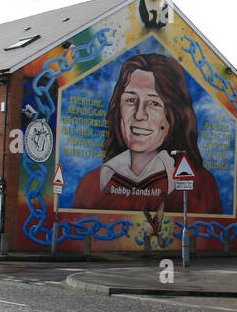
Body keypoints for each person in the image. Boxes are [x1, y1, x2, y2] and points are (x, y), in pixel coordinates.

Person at [70, 52, 223, 214]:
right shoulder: (92, 183)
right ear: (118, 108)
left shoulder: (199, 185)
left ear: (173, 115)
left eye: (153, 103)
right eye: (131, 100)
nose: (139, 115)